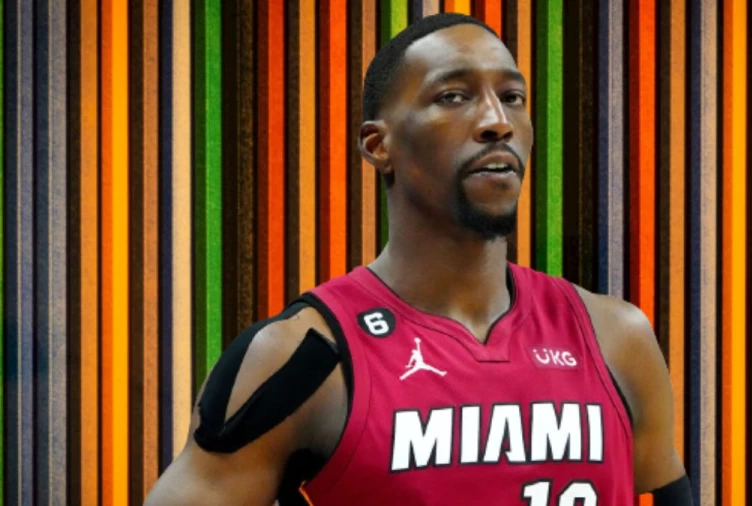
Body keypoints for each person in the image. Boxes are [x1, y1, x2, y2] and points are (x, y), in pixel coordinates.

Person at [145, 13, 691, 506]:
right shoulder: (305, 358)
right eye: (453, 96)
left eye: (513, 97)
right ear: (377, 145)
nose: (497, 121)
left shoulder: (616, 338)